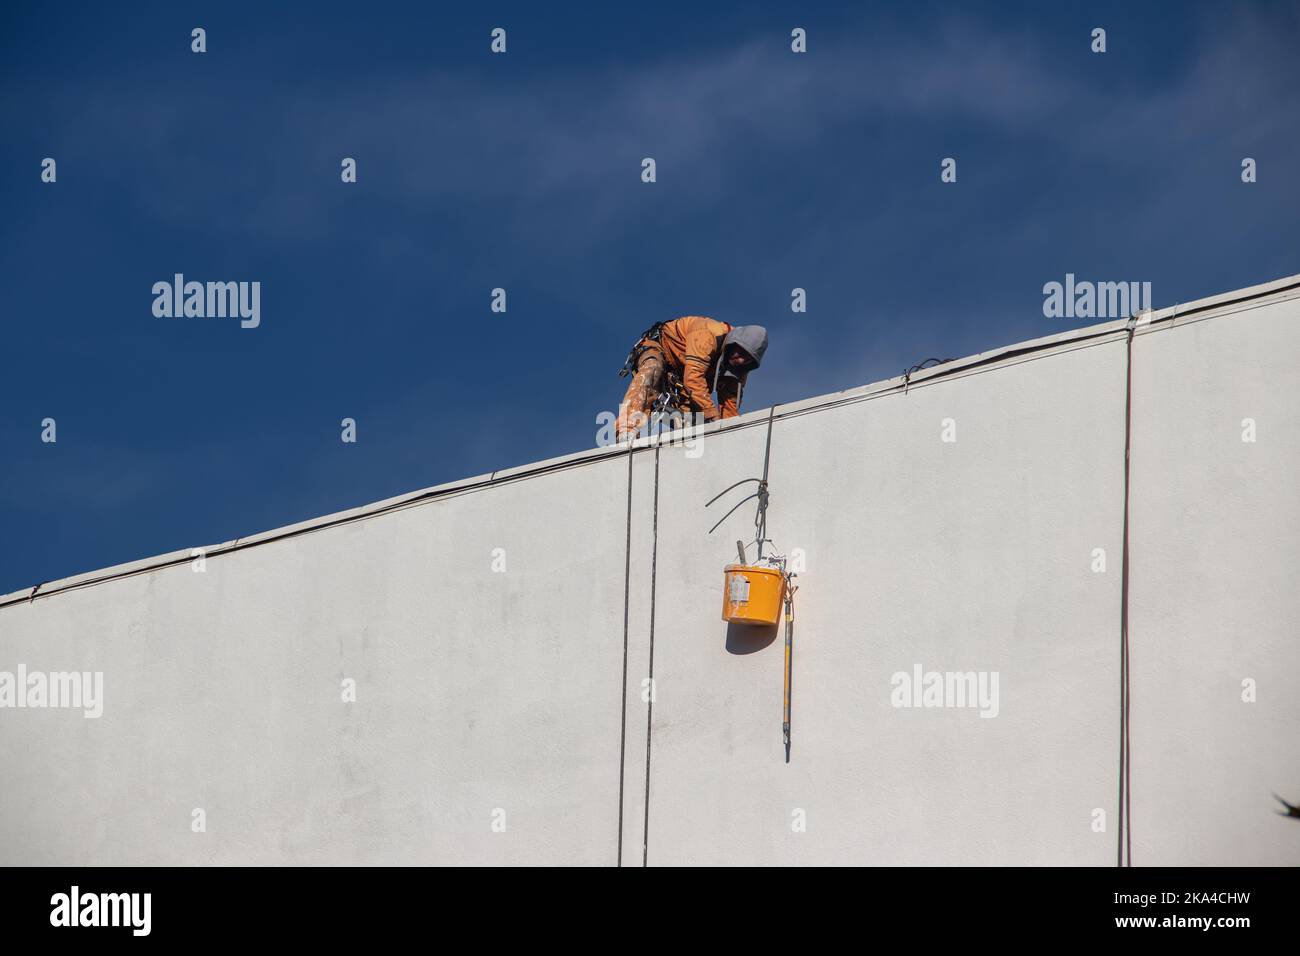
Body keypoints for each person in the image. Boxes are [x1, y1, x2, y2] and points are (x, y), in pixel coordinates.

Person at [615, 316, 768, 441]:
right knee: (651, 371)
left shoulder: (739, 370)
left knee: (692, 421)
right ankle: (625, 432)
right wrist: (713, 416)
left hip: (683, 375)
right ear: (733, 343)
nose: (741, 360)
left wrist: (728, 434)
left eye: (747, 360)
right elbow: (693, 379)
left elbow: (730, 406)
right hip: (661, 348)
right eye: (740, 353)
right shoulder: (708, 334)